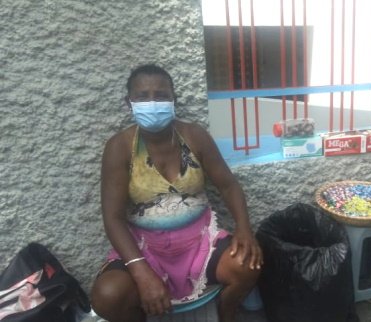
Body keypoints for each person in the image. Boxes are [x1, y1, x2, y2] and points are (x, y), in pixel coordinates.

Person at [90, 64, 262, 322]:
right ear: (129, 103)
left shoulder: (194, 136)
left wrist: (244, 228)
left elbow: (228, 185)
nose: (152, 103)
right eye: (142, 97)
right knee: (107, 295)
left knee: (248, 264)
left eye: (160, 96)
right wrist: (140, 271)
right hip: (144, 247)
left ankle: (226, 314)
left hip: (200, 243)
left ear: (173, 100)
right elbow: (113, 218)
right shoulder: (120, 147)